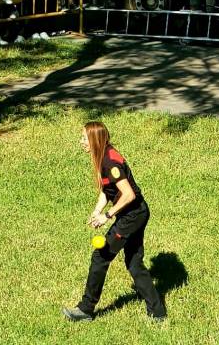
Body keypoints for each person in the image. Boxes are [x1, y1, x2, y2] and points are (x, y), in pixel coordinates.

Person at [63, 121, 166, 323]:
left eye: (84, 138)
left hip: (132, 215)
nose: (81, 141)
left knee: (100, 257)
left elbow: (128, 195)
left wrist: (107, 216)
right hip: (135, 213)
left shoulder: (111, 162)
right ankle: (158, 311)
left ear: (95, 139)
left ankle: (85, 309)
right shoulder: (103, 156)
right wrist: (96, 210)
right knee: (134, 263)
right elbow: (107, 189)